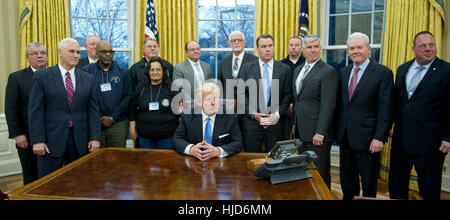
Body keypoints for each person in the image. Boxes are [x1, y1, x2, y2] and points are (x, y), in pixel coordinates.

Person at [28, 38, 101, 178]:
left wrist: (95, 138)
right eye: (71, 51)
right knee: (48, 184)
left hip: (80, 141)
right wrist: (38, 140)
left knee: (79, 181)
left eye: (78, 52)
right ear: (59, 52)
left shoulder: (88, 78)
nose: (76, 55)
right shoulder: (42, 76)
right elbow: (35, 112)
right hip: (50, 142)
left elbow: (93, 111)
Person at [389, 31, 450, 200]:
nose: (428, 49)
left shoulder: (447, 70)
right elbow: (397, 103)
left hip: (431, 143)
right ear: (414, 49)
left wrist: (448, 137)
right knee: (396, 186)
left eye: (432, 45)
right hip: (401, 141)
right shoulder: (402, 69)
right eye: (423, 46)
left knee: (429, 189)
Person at [336, 32, 394, 200]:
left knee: (368, 184)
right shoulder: (344, 72)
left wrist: (379, 138)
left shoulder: (383, 73)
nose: (355, 51)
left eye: (359, 47)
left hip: (369, 140)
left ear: (368, 49)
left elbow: (386, 110)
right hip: (346, 137)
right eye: (352, 48)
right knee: (347, 182)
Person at [292, 35, 338, 188]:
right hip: (301, 132)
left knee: (320, 173)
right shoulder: (298, 70)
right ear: (303, 49)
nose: (313, 50)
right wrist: (294, 125)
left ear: (320, 49)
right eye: (309, 47)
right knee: (304, 171)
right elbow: (298, 101)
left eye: (316, 47)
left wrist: (321, 132)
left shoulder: (328, 71)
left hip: (317, 135)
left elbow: (328, 105)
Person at [237, 34, 291, 153]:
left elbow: (287, 96)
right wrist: (253, 113)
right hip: (252, 123)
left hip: (276, 124)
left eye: (270, 46)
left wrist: (276, 115)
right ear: (257, 49)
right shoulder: (246, 68)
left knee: (275, 161)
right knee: (250, 160)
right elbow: (241, 95)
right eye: (263, 46)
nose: (267, 49)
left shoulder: (284, 69)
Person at [5, 42, 48, 185]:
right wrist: (18, 134)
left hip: (54, 135)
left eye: (43, 53)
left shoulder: (56, 75)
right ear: (27, 57)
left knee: (53, 176)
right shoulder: (16, 78)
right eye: (35, 53)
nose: (40, 56)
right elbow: (11, 109)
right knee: (31, 176)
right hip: (27, 137)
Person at [82, 41, 133, 148]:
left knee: (117, 157)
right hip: (95, 122)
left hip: (118, 122)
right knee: (97, 159)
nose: (108, 54)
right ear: (96, 53)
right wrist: (99, 118)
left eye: (111, 51)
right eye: (104, 51)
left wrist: (112, 118)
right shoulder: (86, 72)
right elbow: (84, 98)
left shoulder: (123, 71)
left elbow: (128, 96)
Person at [173, 83, 242, 161]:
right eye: (208, 99)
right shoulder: (187, 115)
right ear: (199, 102)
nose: (213, 103)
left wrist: (218, 151)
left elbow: (238, 143)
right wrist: (191, 149)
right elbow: (177, 139)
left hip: (220, 163)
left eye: (215, 98)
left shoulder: (230, 116)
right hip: (194, 161)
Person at [129, 58, 180, 149]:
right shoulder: (140, 88)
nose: (155, 72)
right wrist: (132, 129)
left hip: (167, 137)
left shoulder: (173, 88)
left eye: (158, 69)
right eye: (152, 70)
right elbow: (132, 109)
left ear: (163, 71)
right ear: (148, 71)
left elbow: (180, 112)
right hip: (144, 137)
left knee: (166, 163)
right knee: (145, 162)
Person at [217, 31, 258, 106]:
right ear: (230, 44)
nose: (236, 43)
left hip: (247, 106)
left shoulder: (255, 61)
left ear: (244, 42)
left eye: (239, 40)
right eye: (233, 41)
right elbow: (220, 84)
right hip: (227, 106)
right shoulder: (223, 61)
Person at [280, 36, 306, 140]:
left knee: (301, 141)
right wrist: (286, 105)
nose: (293, 47)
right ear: (288, 47)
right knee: (283, 140)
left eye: (296, 45)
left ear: (302, 48)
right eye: (291, 45)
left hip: (302, 109)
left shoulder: (307, 64)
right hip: (284, 110)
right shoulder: (280, 65)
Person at [173, 40, 214, 106]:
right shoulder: (179, 68)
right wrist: (194, 103)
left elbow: (211, 86)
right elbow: (179, 90)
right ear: (187, 52)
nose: (196, 51)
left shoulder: (207, 67)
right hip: (189, 106)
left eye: (198, 49)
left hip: (207, 105)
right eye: (192, 50)